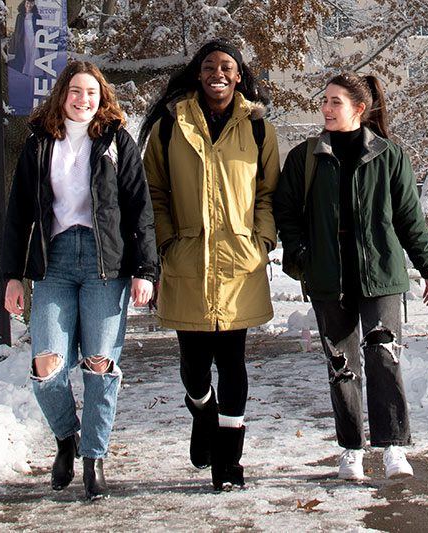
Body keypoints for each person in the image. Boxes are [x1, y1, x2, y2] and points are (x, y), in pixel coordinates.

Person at [2, 61, 158, 501]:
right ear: (62, 95)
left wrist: (146, 270)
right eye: (76, 91)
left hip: (105, 264)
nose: (83, 99)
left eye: (92, 92)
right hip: (53, 263)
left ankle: (94, 458)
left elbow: (139, 210)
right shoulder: (38, 144)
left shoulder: (116, 142)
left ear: (102, 97)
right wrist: (12, 276)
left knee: (99, 365)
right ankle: (66, 438)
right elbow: (17, 215)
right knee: (46, 365)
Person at [273, 72, 428, 481]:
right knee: (341, 363)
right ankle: (350, 448)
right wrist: (301, 258)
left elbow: (408, 217)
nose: (326, 109)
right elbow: (287, 213)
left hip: (381, 274)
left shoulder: (389, 155)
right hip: (329, 275)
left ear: (359, 109)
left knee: (384, 357)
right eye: (324, 101)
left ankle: (393, 447)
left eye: (335, 102)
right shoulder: (305, 156)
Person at [138, 39, 279, 491]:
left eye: (228, 67)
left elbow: (268, 195)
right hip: (188, 262)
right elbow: (153, 192)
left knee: (233, 362)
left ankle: (230, 464)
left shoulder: (259, 128)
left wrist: (261, 242)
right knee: (194, 368)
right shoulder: (169, 125)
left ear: (239, 76)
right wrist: (166, 242)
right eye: (210, 66)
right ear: (199, 74)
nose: (218, 72)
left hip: (240, 262)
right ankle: (203, 411)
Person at [8, 0, 40, 76]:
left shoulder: (37, 16)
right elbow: (17, 30)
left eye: (31, 3)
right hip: (23, 40)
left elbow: (40, 29)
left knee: (34, 56)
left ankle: (32, 73)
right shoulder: (20, 16)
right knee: (26, 55)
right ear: (24, 3)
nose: (29, 5)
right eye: (27, 3)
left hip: (34, 39)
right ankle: (25, 71)